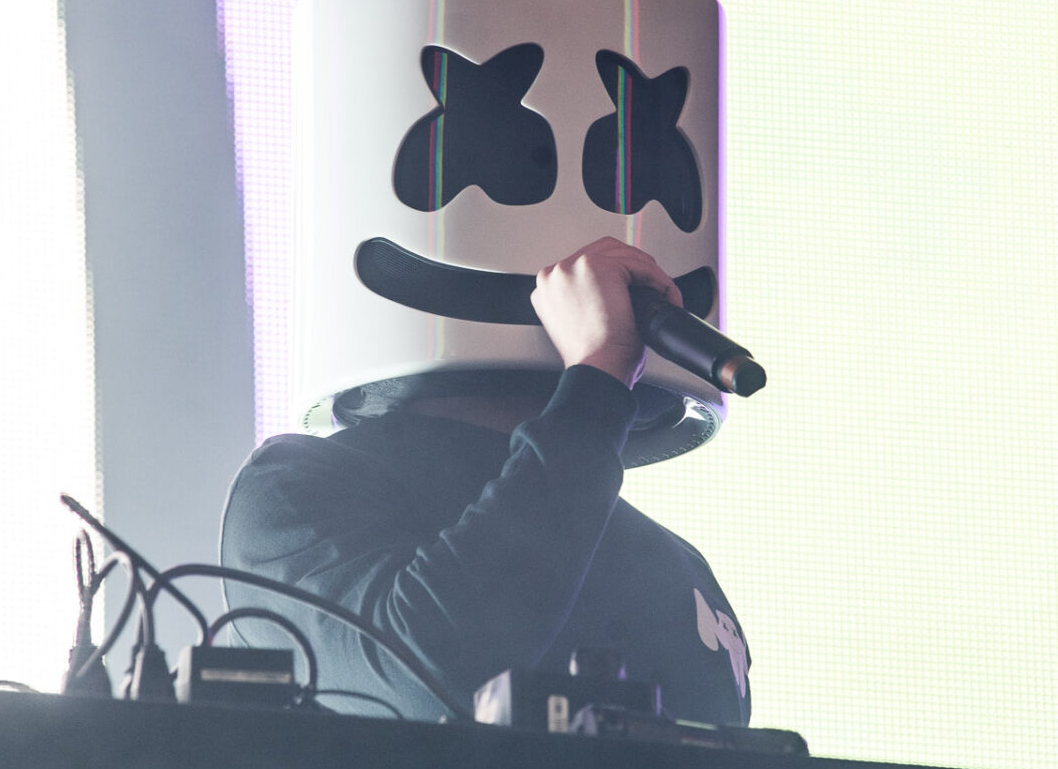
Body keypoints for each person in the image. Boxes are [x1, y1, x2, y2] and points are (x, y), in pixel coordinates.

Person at [219, 236, 752, 726]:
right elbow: (430, 676)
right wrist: (598, 378)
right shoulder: (298, 487)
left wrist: (597, 385)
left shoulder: (676, 563)